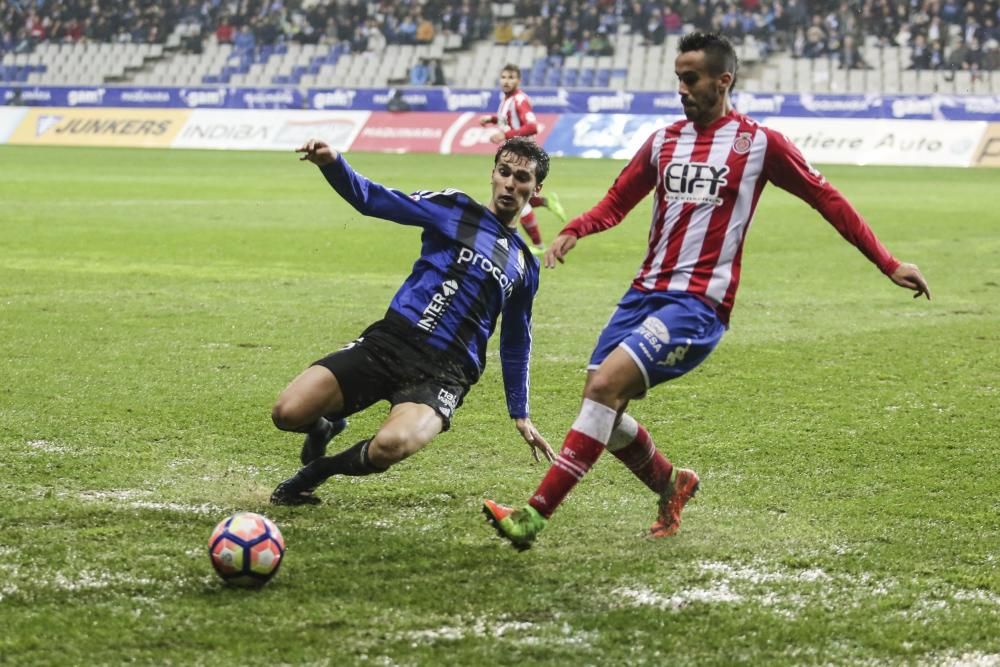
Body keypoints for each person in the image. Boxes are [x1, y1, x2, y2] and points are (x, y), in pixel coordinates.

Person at [483, 31, 931, 550]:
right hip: (642, 295)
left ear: (724, 80)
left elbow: (826, 199)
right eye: (677, 78)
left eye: (690, 78)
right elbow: (616, 201)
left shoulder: (759, 144)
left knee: (605, 389)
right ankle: (673, 483)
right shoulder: (664, 142)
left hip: (697, 305)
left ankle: (532, 518)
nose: (681, 88)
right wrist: (576, 228)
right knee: (601, 401)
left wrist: (888, 262)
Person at [270, 137, 556, 505]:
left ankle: (316, 472)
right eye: (504, 172)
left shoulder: (524, 265)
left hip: (445, 374)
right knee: (287, 412)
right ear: (493, 173)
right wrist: (333, 163)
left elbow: (516, 339)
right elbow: (373, 199)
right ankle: (325, 425)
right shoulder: (453, 208)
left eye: (521, 177)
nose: (510, 184)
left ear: (536, 188)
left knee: (392, 444)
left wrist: (521, 413)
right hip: (390, 343)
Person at [480, 63, 567, 256]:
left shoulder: (520, 100)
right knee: (513, 196)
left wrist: (505, 135)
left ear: (518, 80)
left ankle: (538, 244)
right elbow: (506, 118)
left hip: (524, 159)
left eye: (511, 77)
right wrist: (492, 120)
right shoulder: (506, 100)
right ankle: (545, 202)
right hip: (515, 157)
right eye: (504, 77)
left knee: (518, 200)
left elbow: (532, 126)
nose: (506, 81)